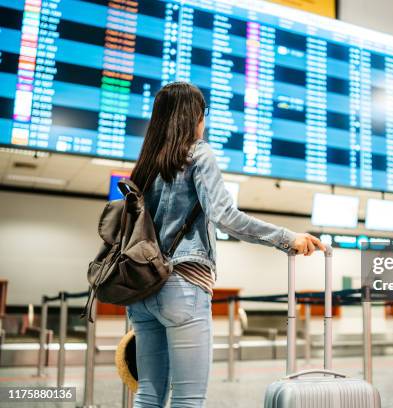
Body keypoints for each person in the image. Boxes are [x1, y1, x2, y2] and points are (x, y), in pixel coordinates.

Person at [127, 82, 325, 407]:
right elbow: (225, 215)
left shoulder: (146, 164)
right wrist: (287, 238)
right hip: (183, 288)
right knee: (188, 398)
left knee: (148, 395)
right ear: (195, 117)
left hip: (142, 290)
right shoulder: (197, 153)